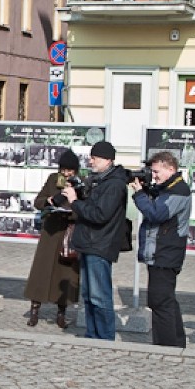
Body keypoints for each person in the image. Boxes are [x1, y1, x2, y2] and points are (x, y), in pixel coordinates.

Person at [62, 140, 129, 341]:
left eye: (95, 158)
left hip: (100, 244)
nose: (90, 161)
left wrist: (74, 202)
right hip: (89, 242)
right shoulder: (99, 180)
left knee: (100, 297)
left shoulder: (114, 184)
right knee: (89, 296)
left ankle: (105, 337)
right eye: (91, 157)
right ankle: (93, 335)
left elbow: (100, 215)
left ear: (108, 160)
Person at [132, 151, 192, 347]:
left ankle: (166, 347)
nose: (154, 176)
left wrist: (140, 195)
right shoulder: (167, 189)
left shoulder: (179, 191)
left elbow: (157, 214)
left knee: (159, 302)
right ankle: (176, 343)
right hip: (161, 253)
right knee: (166, 300)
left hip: (165, 254)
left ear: (170, 169)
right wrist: (148, 190)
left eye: (157, 172)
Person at [23, 149, 81, 328]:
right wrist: (50, 200)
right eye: (64, 170)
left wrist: (73, 202)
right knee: (41, 271)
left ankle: (61, 313)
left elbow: (84, 208)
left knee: (65, 273)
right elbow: (38, 202)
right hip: (50, 232)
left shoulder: (82, 183)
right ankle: (34, 310)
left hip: (68, 232)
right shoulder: (52, 179)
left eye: (70, 170)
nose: (66, 173)